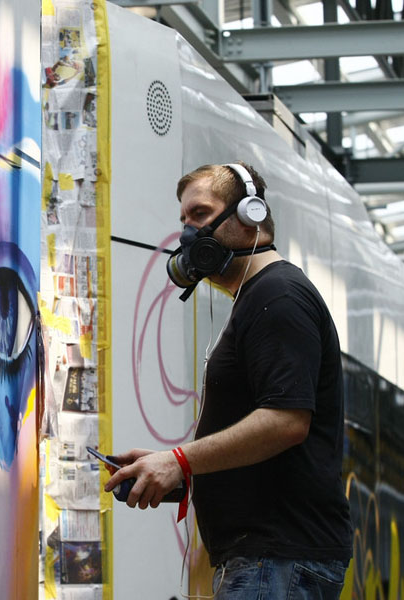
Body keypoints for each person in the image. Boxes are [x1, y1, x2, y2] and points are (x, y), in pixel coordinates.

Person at [104, 162, 352, 598]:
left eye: (199, 215)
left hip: (276, 562)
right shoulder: (259, 298)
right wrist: (179, 470)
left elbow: (286, 422)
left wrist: (179, 460)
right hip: (267, 561)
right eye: (183, 220)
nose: (188, 234)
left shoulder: (279, 297)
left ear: (251, 214)